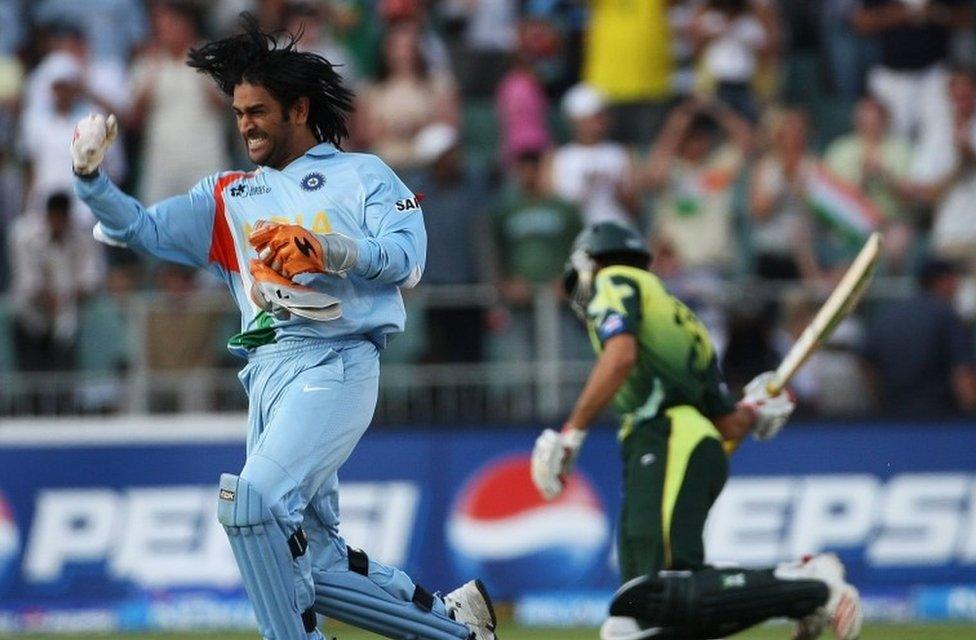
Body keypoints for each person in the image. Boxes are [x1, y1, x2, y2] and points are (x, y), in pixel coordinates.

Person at [70, 15, 496, 640]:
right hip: (265, 378)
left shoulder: (368, 176)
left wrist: (325, 249)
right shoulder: (229, 195)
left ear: (298, 109)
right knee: (314, 558)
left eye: (257, 111)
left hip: (336, 363)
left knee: (253, 505)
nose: (244, 124)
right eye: (238, 112)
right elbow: (141, 228)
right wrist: (90, 180)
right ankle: (454, 631)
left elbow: (406, 261)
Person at [530, 222, 863, 640]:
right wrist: (754, 411)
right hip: (682, 442)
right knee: (632, 619)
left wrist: (571, 433)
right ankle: (793, 584)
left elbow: (620, 357)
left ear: (591, 262)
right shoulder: (679, 316)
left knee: (659, 591)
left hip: (667, 438)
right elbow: (727, 423)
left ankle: (808, 586)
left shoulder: (616, 280)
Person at [862, 258, 976, 417]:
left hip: (892, 419)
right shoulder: (947, 316)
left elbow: (865, 363)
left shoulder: (887, 316)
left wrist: (879, 402)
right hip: (941, 422)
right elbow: (961, 375)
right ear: (945, 281)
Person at [9, 191, 102, 373]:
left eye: (62, 218)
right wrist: (45, 296)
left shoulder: (80, 242)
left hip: (65, 324)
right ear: (48, 216)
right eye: (54, 217)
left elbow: (91, 280)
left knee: (63, 381)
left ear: (68, 218)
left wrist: (70, 295)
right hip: (30, 321)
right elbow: (26, 282)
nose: (58, 223)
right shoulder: (27, 240)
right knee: (33, 383)